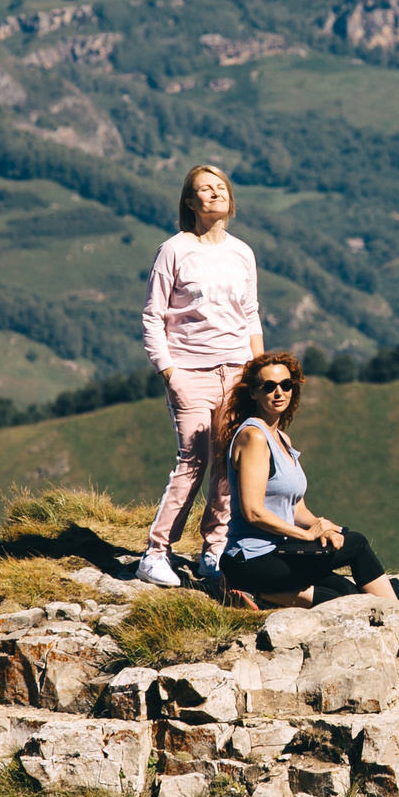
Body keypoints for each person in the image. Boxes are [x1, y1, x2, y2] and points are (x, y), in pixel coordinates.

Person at [217, 350, 399, 653]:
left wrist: (325, 526)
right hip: (252, 559)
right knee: (357, 545)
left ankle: (263, 597)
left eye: (286, 384)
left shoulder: (281, 439)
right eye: (268, 386)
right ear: (254, 392)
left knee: (346, 592)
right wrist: (307, 535)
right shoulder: (254, 437)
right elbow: (253, 512)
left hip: (279, 553)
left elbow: (296, 508)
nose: (278, 391)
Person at [133, 165, 261, 589]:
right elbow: (152, 316)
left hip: (239, 371)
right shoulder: (174, 250)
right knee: (193, 460)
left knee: (229, 464)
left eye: (220, 187)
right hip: (190, 370)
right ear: (191, 202)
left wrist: (258, 373)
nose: (214, 194)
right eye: (204, 189)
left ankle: (214, 551)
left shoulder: (242, 252)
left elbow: (251, 315)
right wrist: (169, 373)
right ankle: (155, 554)